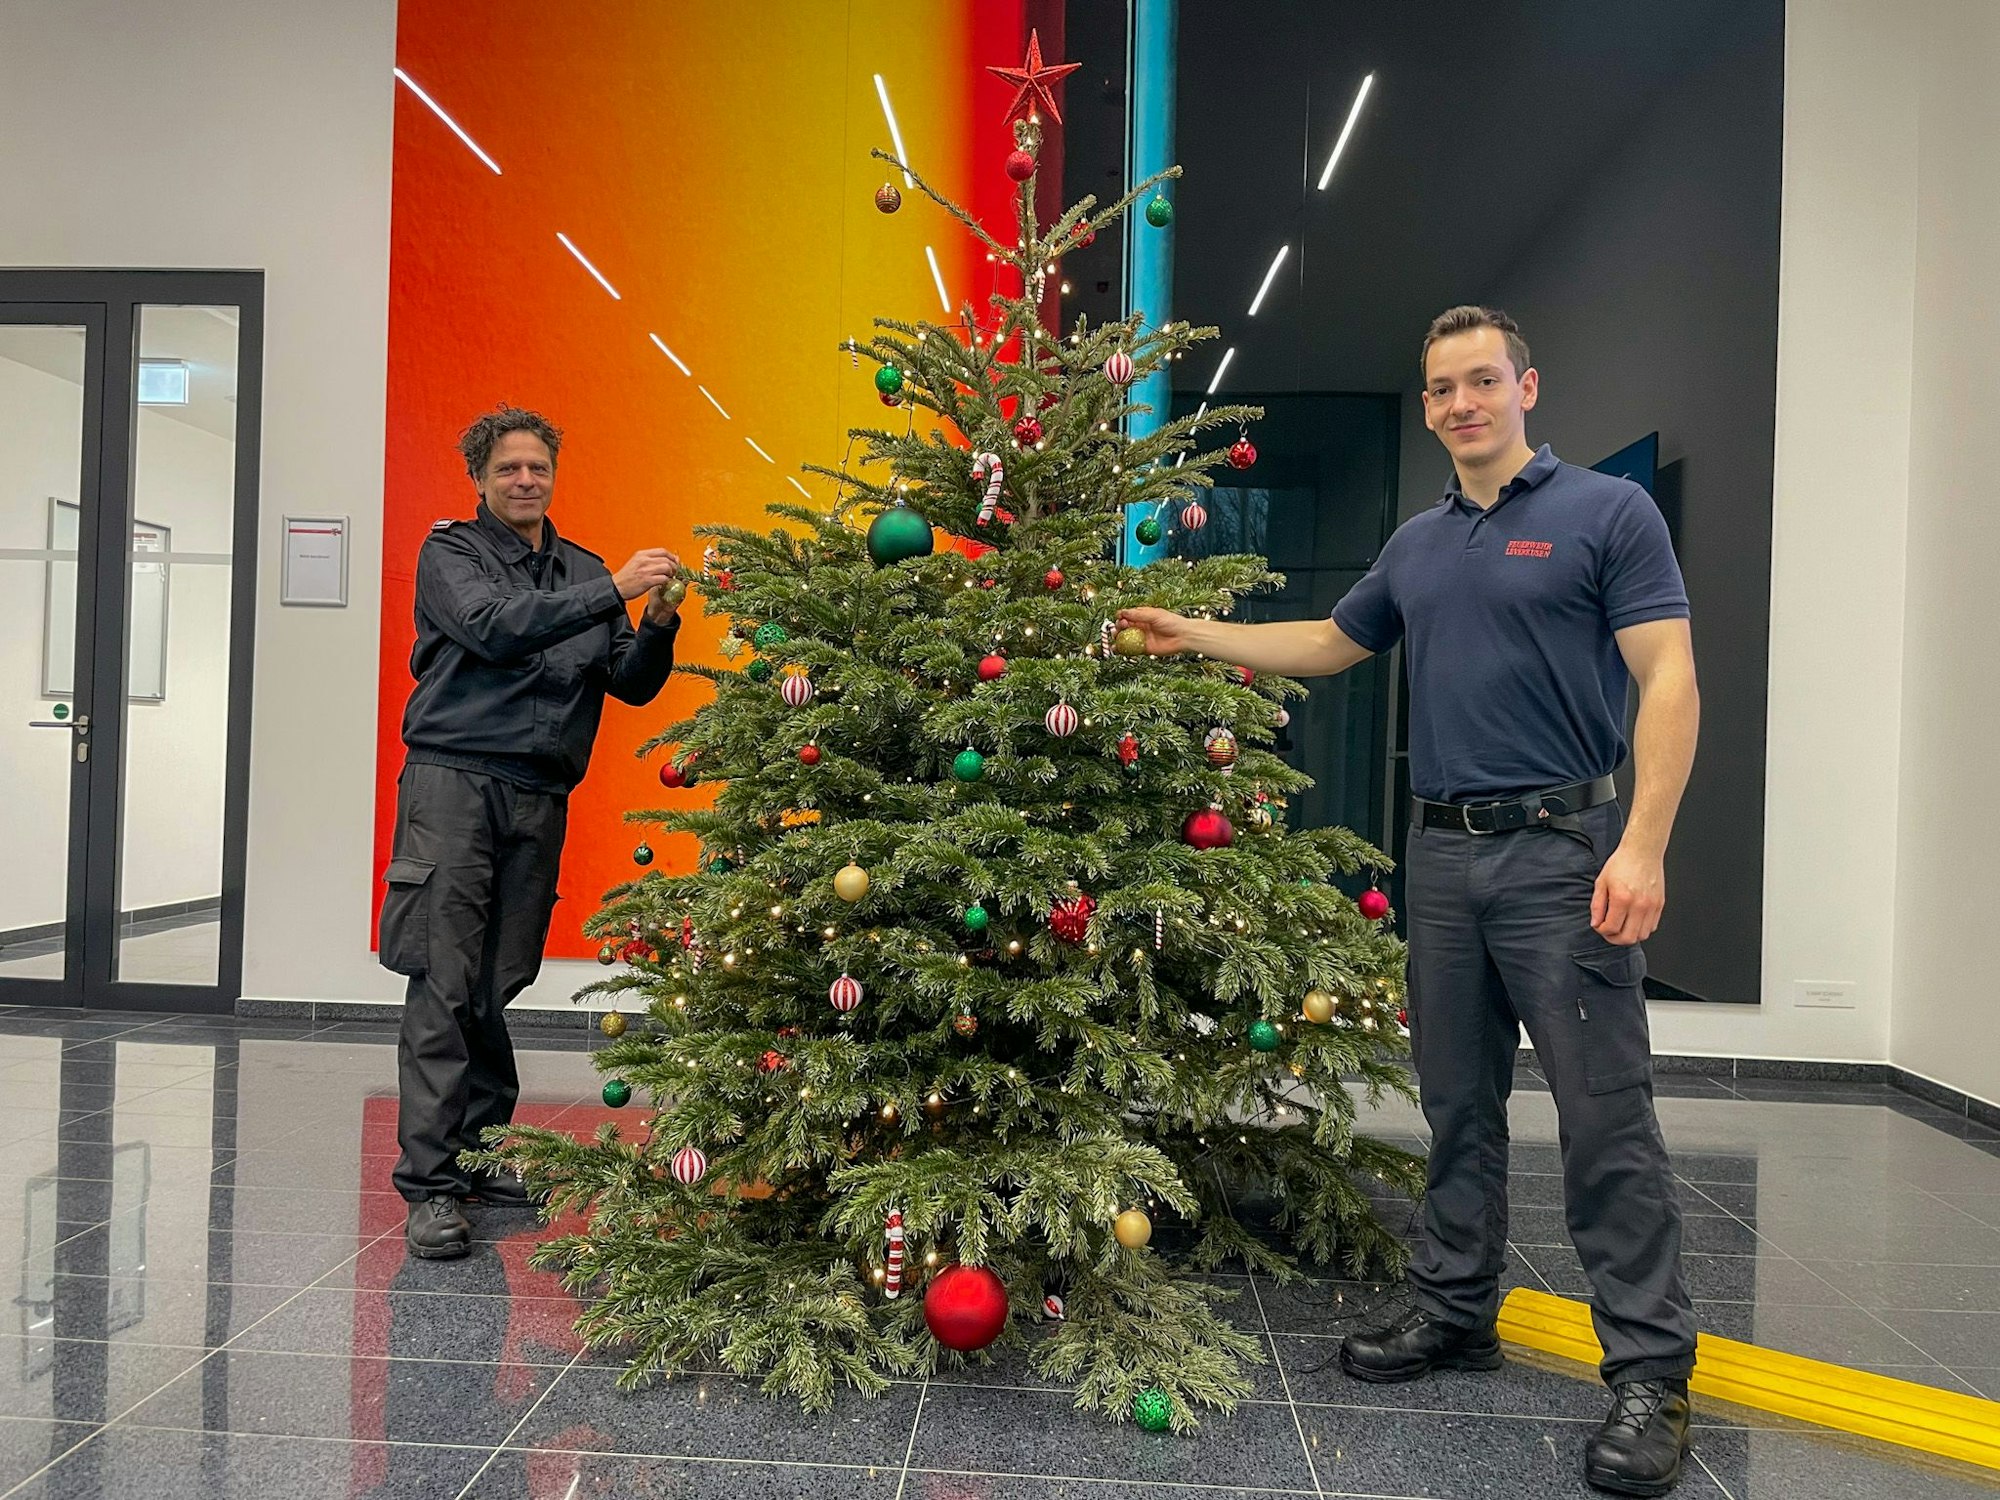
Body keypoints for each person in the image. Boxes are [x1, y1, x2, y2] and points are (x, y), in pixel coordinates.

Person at [1120, 306, 1701, 1498]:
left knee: (1603, 1121)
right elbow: (1331, 644)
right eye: (1439, 389)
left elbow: (1668, 679)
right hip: (1438, 860)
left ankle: (1648, 1375)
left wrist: (1639, 845)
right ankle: (1452, 1313)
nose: (1459, 404)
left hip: (1561, 850)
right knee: (1456, 1106)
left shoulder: (1606, 514)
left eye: (1480, 381)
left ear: (1525, 386)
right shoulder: (1418, 541)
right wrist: (1195, 635)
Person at [379, 405, 684, 1260]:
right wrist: (613, 590)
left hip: (538, 795)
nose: (525, 481)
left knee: (498, 978)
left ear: (554, 476)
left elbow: (628, 683)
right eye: (508, 469)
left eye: (537, 469)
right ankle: (432, 1190)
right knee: (443, 980)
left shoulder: (585, 569)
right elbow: (494, 627)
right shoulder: (453, 555)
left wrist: (655, 620)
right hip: (454, 783)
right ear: (480, 477)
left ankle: (475, 1159)